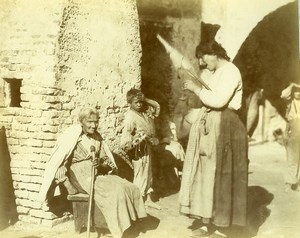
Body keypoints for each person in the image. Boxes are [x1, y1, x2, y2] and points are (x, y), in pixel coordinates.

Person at [178, 36, 248, 237]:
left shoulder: (231, 72)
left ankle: (221, 223)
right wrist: (195, 86)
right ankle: (206, 219)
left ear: (214, 54)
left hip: (224, 126)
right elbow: (205, 98)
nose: (201, 62)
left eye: (202, 57)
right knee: (205, 174)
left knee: (221, 174)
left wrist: (197, 88)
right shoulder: (215, 71)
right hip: (211, 124)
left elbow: (218, 101)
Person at [39, 107, 147, 238]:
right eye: (90, 122)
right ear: (82, 121)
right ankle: (118, 227)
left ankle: (132, 221)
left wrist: (101, 164)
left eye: (96, 122)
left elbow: (106, 160)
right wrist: (61, 170)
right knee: (116, 190)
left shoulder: (96, 137)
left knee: (129, 186)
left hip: (97, 173)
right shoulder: (73, 136)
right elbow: (59, 158)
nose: (94, 125)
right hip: (80, 176)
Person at [120, 88, 161, 210]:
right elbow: (125, 140)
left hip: (147, 148)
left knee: (149, 175)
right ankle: (138, 202)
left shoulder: (144, 113)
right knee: (140, 176)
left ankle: (148, 199)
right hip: (138, 151)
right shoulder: (130, 117)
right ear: (130, 103)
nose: (139, 104)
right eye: (135, 102)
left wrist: (145, 99)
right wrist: (136, 141)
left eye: (140, 102)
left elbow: (157, 106)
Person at [281, 83, 300, 192]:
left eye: (299, 91)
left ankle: (296, 184)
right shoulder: (290, 102)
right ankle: (288, 183)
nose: (298, 93)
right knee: (292, 158)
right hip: (293, 130)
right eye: (296, 91)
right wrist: (292, 85)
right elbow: (283, 95)